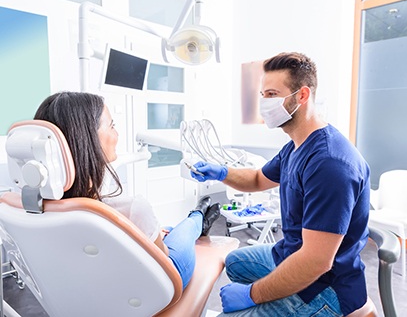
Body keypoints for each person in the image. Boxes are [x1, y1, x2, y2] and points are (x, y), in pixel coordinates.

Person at [190, 52, 371, 316]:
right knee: (234, 263)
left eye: (272, 94)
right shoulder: (295, 147)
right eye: (263, 95)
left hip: (325, 287)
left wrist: (253, 294)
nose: (264, 104)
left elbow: (316, 262)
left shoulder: (330, 163)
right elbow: (257, 179)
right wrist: (221, 173)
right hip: (292, 252)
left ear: (302, 96)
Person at [33, 91, 220, 290]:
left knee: (168, 230)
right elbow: (163, 261)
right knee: (186, 231)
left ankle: (180, 225)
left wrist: (152, 232)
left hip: (86, 290)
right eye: (112, 125)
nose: (117, 133)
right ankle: (198, 217)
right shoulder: (131, 208)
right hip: (155, 289)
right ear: (88, 139)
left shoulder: (35, 207)